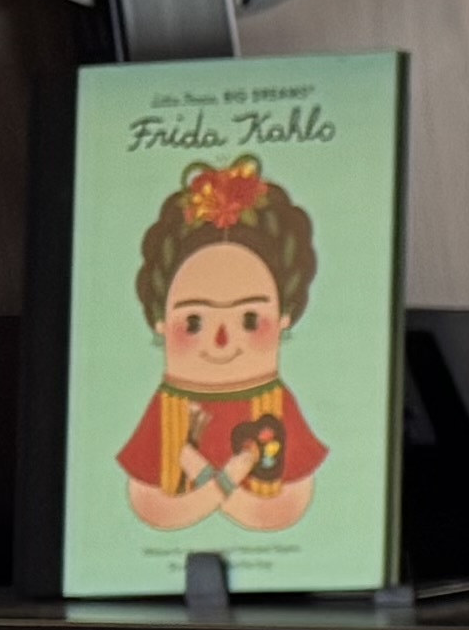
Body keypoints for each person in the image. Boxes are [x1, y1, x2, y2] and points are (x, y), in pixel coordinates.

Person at [114, 156, 327, 537]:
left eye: (249, 320)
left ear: (283, 319)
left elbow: (289, 505)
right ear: (162, 323)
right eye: (194, 321)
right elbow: (148, 503)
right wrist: (225, 482)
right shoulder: (167, 406)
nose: (222, 341)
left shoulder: (276, 403)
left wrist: (207, 474)